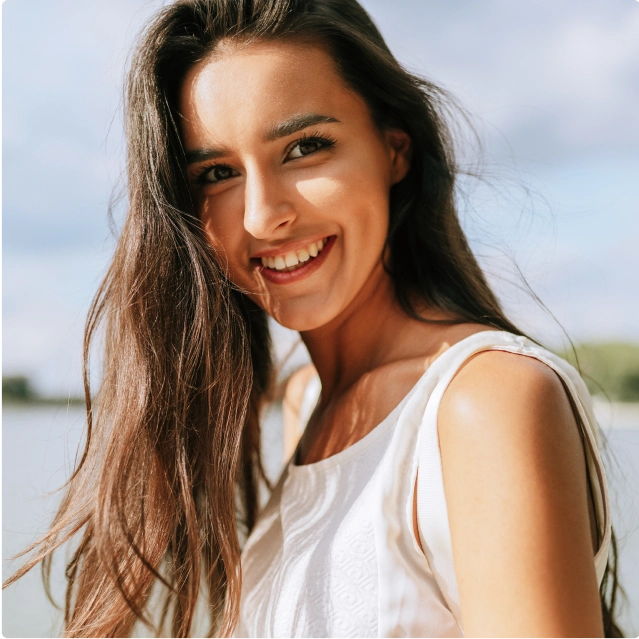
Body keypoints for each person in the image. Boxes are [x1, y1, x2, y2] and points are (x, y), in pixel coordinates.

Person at [2, 0, 625, 637]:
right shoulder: (309, 403)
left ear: (394, 150)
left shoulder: (483, 401)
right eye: (217, 173)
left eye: (304, 148)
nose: (261, 216)